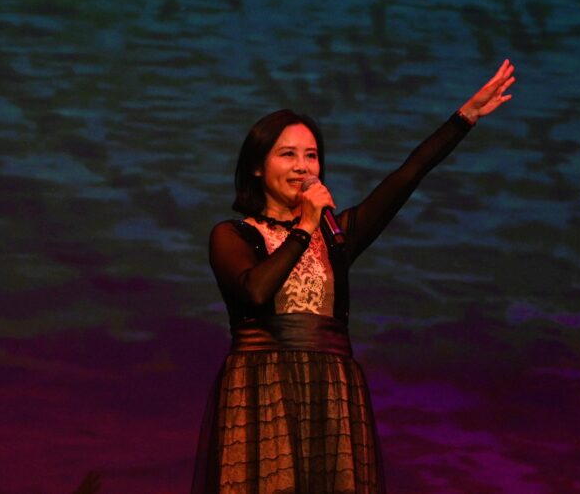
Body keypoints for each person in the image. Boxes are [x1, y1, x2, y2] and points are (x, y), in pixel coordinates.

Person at [192, 60, 517, 493]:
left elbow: (407, 176)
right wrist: (305, 227)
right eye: (288, 155)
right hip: (263, 386)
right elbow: (255, 292)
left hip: (331, 386)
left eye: (311, 156)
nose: (303, 167)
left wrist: (465, 118)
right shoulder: (232, 235)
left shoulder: (336, 236)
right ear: (257, 166)